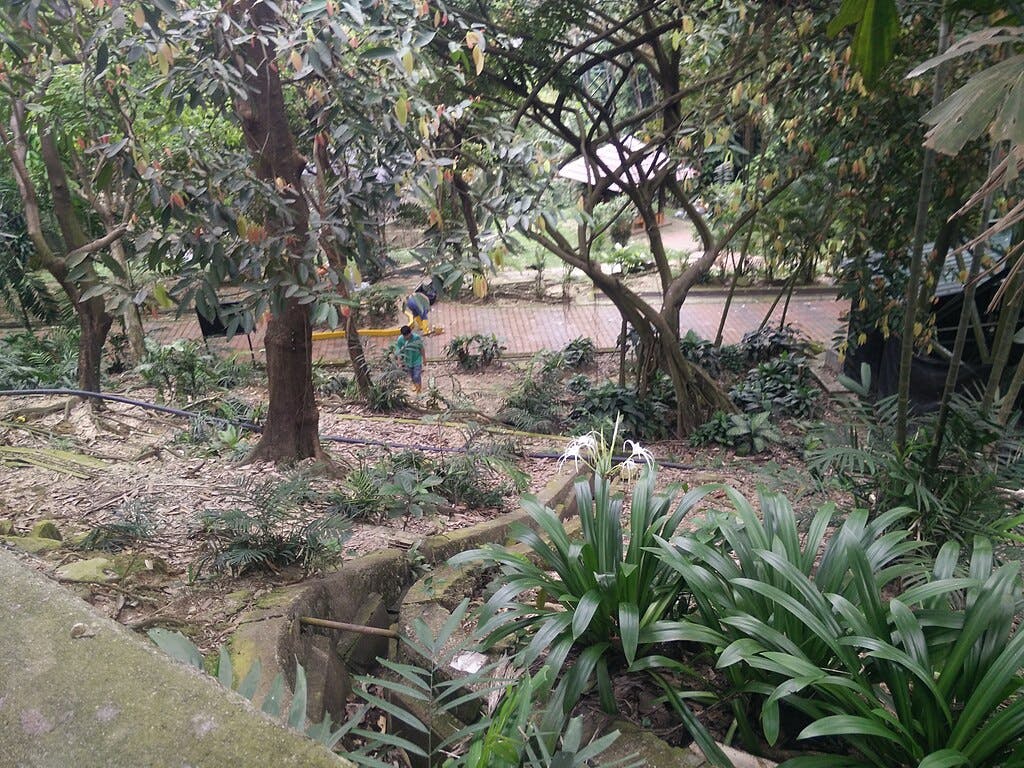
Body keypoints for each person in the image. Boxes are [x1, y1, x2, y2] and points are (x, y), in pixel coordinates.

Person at [395, 325, 425, 393]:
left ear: (410, 333)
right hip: (407, 361)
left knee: (417, 375)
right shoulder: (400, 340)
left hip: (417, 359)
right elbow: (399, 352)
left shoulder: (416, 337)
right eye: (404, 336)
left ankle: (419, 389)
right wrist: (399, 363)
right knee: (411, 376)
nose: (406, 337)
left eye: (407, 336)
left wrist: (424, 358)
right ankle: (416, 385)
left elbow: (421, 348)